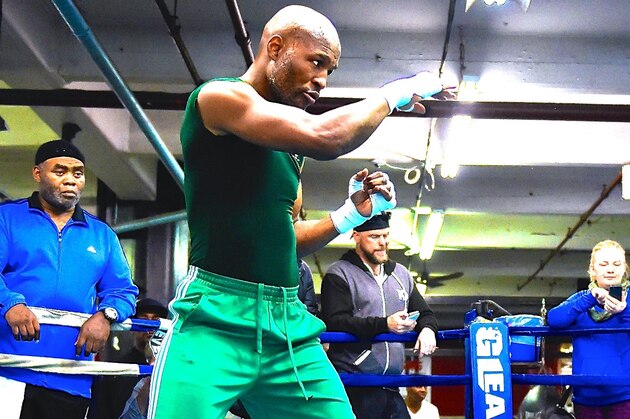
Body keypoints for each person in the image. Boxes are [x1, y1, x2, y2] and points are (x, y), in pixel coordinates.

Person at [147, 4, 452, 418]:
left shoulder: (289, 151)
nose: (322, 80)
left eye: (330, 70)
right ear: (276, 48)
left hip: (288, 325)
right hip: (214, 318)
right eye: (317, 62)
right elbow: (326, 136)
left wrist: (351, 215)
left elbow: (286, 239)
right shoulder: (219, 97)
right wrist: (392, 94)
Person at [0, 139, 139, 419]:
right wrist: (10, 303)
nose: (70, 180)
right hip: (9, 370)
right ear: (37, 173)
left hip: (71, 376)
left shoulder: (102, 235)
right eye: (60, 171)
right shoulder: (7, 218)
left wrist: (106, 316)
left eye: (78, 173)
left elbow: (123, 291)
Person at [320, 212, 439, 419]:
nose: (382, 242)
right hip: (356, 383)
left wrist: (428, 329)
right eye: (374, 236)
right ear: (356, 236)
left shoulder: (401, 274)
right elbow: (335, 321)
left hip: (392, 384)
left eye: (385, 235)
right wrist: (385, 324)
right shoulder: (339, 273)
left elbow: (425, 313)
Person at [547, 239, 630, 419]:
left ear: (624, 268)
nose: (610, 269)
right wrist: (589, 299)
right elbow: (553, 319)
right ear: (593, 270)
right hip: (586, 397)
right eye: (603, 264)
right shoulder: (582, 299)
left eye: (616, 264)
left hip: (625, 395)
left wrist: (624, 311)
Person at [90, 298, 168, 419]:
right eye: (143, 320)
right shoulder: (116, 370)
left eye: (156, 320)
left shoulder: (170, 367)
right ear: (132, 329)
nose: (150, 327)